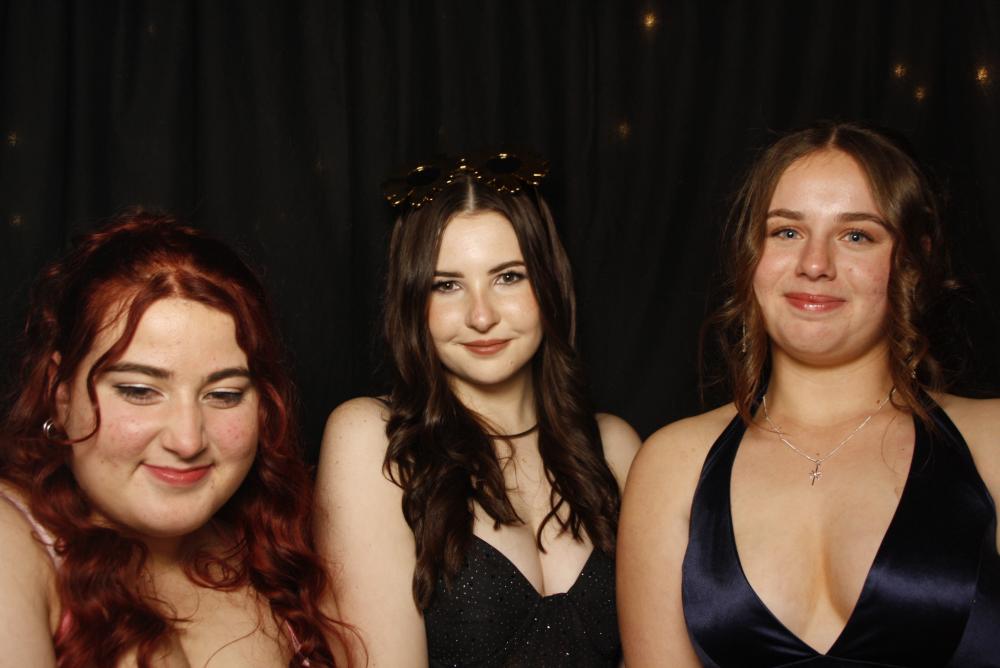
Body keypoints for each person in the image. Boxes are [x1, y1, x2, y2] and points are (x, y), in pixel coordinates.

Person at [618, 121, 1000, 667]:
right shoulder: (672, 464)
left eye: (856, 235)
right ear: (749, 254)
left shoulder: (991, 442)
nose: (815, 264)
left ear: (913, 262)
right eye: (787, 232)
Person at [316, 153, 641, 666]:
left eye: (508, 277)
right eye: (446, 285)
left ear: (549, 282)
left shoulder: (615, 448)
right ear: (412, 301)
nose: (481, 315)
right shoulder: (373, 441)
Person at [0, 211, 346, 667]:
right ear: (59, 394)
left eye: (224, 395)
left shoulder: (276, 562)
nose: (187, 441)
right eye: (139, 391)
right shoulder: (14, 541)